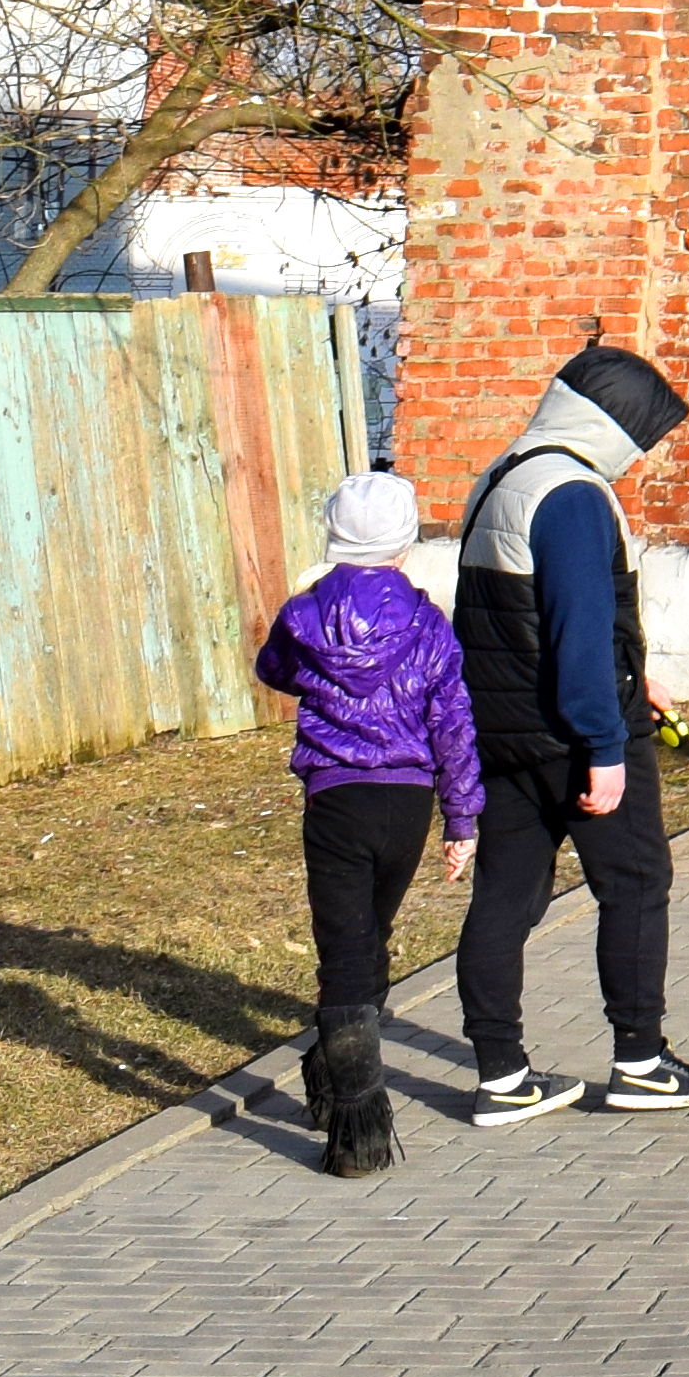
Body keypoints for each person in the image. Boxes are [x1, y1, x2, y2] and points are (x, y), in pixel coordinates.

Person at [455, 341, 689, 1122]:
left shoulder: (504, 475)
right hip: (574, 737)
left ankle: (501, 1077)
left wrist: (629, 672)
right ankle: (640, 1060)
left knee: (506, 895)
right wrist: (604, 744)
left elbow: (520, 615)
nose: (645, 454)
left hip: (502, 729)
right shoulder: (573, 495)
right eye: (644, 436)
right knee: (637, 883)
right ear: (613, 423)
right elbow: (576, 629)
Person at [257, 469, 478, 1179]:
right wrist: (462, 816)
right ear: (405, 546)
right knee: (368, 939)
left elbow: (274, 670)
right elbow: (453, 722)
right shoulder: (428, 623)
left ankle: (357, 1128)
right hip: (408, 800)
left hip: (337, 797)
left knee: (348, 951)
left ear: (333, 538)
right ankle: (334, 1077)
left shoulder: (302, 615)